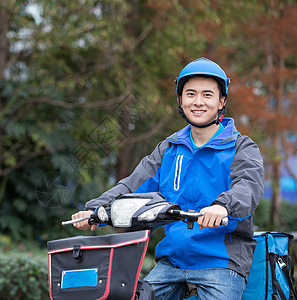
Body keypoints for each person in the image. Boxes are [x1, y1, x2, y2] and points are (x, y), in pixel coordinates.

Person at [71, 57, 264, 300]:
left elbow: (248, 187)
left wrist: (222, 206)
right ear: (180, 101)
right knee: (135, 296)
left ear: (221, 101)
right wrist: (95, 209)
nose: (198, 102)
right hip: (172, 262)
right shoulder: (169, 149)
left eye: (207, 95)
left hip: (220, 263)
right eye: (190, 94)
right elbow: (132, 184)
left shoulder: (241, 147)